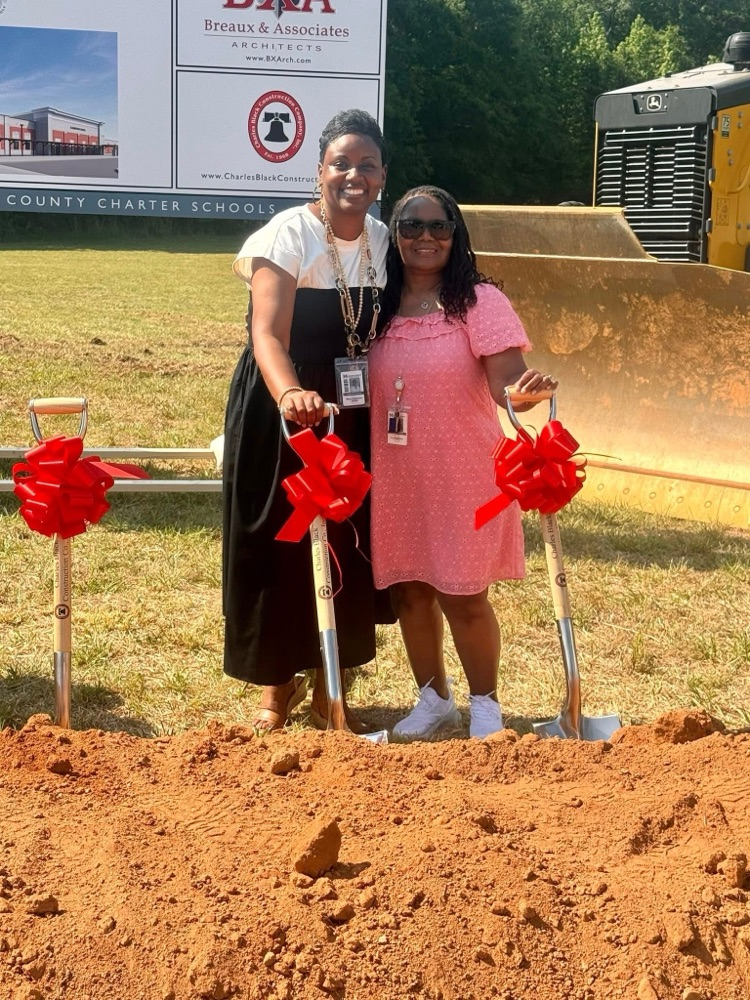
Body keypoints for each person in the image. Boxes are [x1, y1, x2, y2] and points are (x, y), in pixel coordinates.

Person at [223, 108, 394, 732]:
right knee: (282, 537)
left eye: (367, 165)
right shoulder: (286, 234)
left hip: (349, 410)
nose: (354, 174)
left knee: (348, 538)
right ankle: (276, 686)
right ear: (319, 170)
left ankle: (333, 680)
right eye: (341, 163)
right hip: (283, 407)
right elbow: (265, 334)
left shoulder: (383, 240)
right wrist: (292, 393)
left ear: (381, 176)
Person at [369, 185, 558, 739]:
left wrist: (527, 394)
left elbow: (508, 386)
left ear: (456, 235)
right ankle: (433, 700)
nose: (425, 237)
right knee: (410, 588)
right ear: (394, 234)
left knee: (463, 591)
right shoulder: (374, 303)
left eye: (439, 226)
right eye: (411, 226)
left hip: (463, 471)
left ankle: (485, 704)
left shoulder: (478, 302)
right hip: (398, 472)